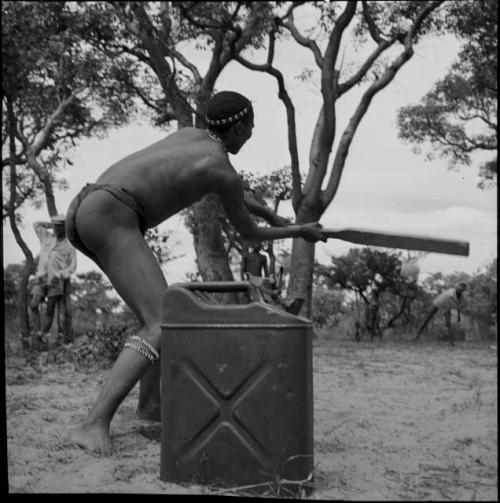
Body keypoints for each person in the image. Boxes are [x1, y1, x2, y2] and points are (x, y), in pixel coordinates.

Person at [64, 90, 326, 455]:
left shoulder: (190, 138)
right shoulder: (221, 167)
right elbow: (247, 232)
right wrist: (301, 231)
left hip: (90, 205)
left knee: (155, 317)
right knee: (161, 320)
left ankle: (151, 409)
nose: (250, 135)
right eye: (249, 128)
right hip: (114, 214)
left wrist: (274, 216)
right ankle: (92, 424)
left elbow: (231, 193)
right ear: (236, 126)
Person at [29, 214, 77, 349]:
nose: (56, 229)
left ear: (64, 228)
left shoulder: (69, 247)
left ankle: (42, 334)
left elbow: (72, 267)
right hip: (41, 279)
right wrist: (51, 224)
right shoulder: (46, 237)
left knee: (50, 310)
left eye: (59, 226)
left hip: (56, 282)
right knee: (34, 303)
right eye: (55, 226)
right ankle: (37, 329)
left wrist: (61, 274)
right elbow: (36, 223)